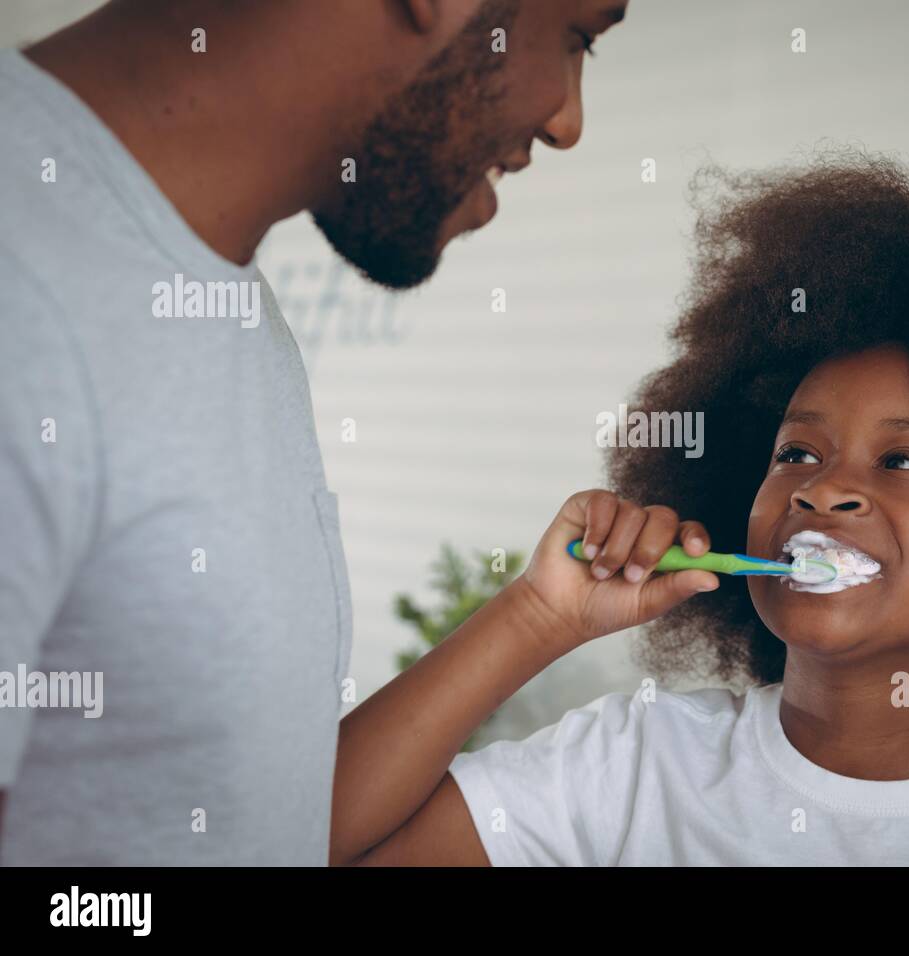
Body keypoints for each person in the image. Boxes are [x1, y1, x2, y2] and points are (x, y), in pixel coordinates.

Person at [333, 153, 909, 865]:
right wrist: (534, 614)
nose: (823, 488)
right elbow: (293, 846)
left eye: (903, 460)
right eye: (796, 453)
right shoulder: (635, 769)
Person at [0, 0, 629, 865]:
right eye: (579, 36)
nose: (568, 120)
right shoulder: (27, 272)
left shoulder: (215, 290)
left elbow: (256, 824)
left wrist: (535, 616)